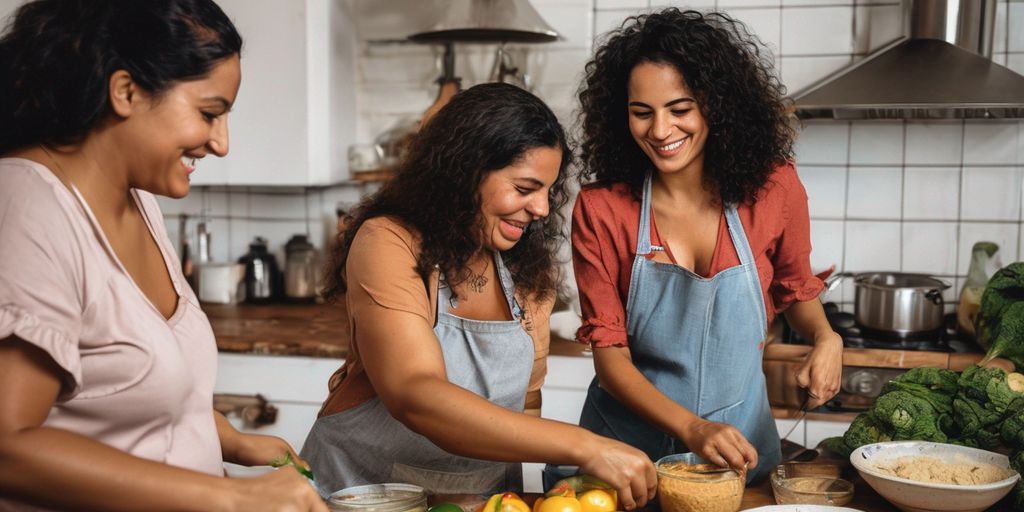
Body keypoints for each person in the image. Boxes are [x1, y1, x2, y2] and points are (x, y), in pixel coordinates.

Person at [0, 1, 325, 510]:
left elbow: (133, 402)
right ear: (126, 91)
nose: (221, 144)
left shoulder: (138, 201)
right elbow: (9, 446)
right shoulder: (25, 207)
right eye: (209, 114)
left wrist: (228, 438)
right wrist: (233, 499)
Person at [302, 83, 657, 509]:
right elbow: (414, 393)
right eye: (525, 189)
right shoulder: (389, 241)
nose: (542, 209)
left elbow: (524, 410)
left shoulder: (527, 274)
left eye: (547, 190)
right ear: (464, 172)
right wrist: (586, 446)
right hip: (355, 496)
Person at [567, 9, 844, 483]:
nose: (659, 131)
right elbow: (611, 359)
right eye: (641, 113)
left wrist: (826, 338)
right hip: (626, 461)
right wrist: (692, 429)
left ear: (716, 104)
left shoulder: (774, 189)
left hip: (737, 455)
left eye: (679, 109)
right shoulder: (602, 210)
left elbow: (798, 287)